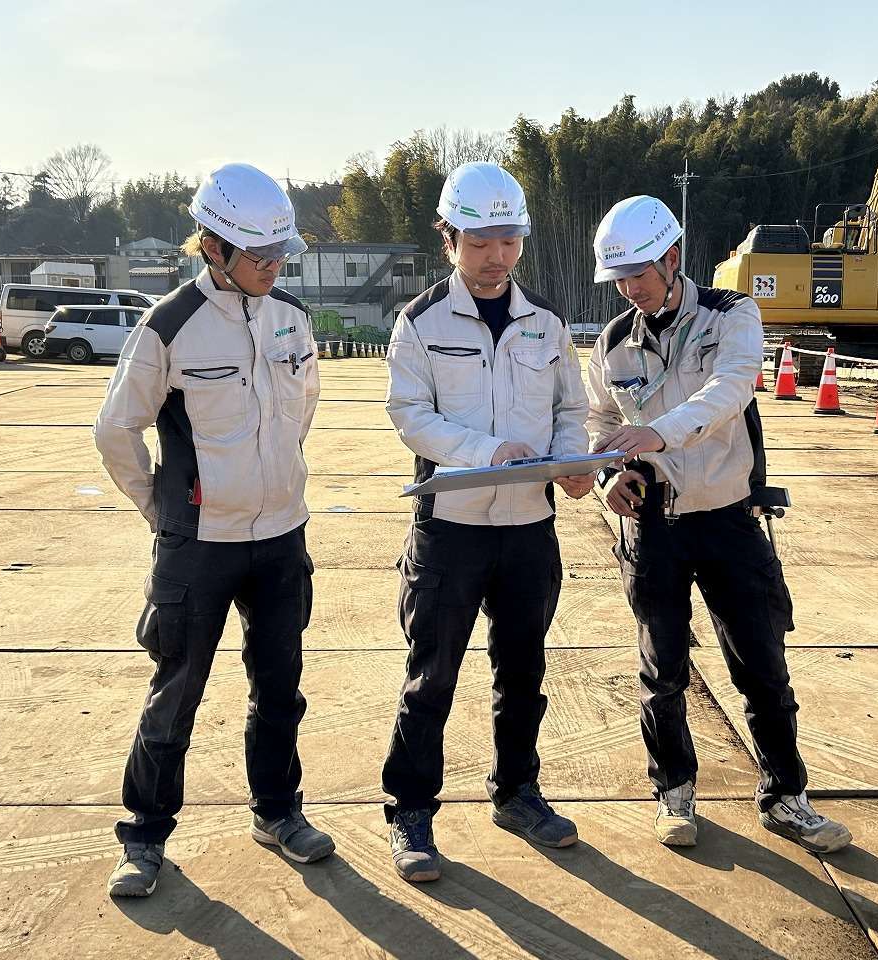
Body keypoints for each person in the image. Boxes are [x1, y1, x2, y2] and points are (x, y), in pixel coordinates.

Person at [584, 195, 852, 854]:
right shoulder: (613, 343)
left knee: (762, 668)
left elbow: (730, 390)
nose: (630, 289)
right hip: (653, 527)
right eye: (619, 279)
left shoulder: (732, 314)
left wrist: (657, 433)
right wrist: (608, 476)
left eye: (639, 274)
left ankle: (786, 798)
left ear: (672, 257)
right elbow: (598, 423)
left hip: (729, 521)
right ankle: (673, 791)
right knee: (662, 672)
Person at [94, 162, 328, 898]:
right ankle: (144, 836)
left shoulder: (292, 317)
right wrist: (162, 511)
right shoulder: (168, 326)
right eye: (260, 254)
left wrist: (276, 481)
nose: (273, 265)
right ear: (213, 247)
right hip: (199, 546)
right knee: (176, 693)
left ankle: (278, 812)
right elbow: (115, 431)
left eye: (281, 253)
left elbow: (302, 410)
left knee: (280, 687)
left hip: (281, 537)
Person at [381, 161, 591, 883]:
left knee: (523, 670)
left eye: (509, 240)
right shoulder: (420, 323)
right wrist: (486, 453)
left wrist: (572, 461)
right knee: (431, 676)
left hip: (529, 527)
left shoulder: (547, 322)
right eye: (479, 242)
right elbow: (411, 415)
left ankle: (517, 792)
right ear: (449, 240)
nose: (496, 256)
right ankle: (411, 812)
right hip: (452, 528)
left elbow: (569, 408)